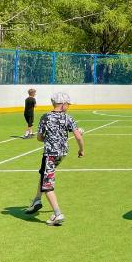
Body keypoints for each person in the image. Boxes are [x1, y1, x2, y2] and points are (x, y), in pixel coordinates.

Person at [23, 92, 84, 225]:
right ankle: (37, 200)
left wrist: (48, 138)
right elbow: (78, 137)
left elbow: (39, 137)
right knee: (44, 173)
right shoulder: (68, 118)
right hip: (62, 154)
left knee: (47, 185)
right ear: (63, 104)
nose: (68, 106)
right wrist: (81, 150)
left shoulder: (45, 117)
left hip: (50, 154)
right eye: (68, 104)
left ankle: (57, 214)